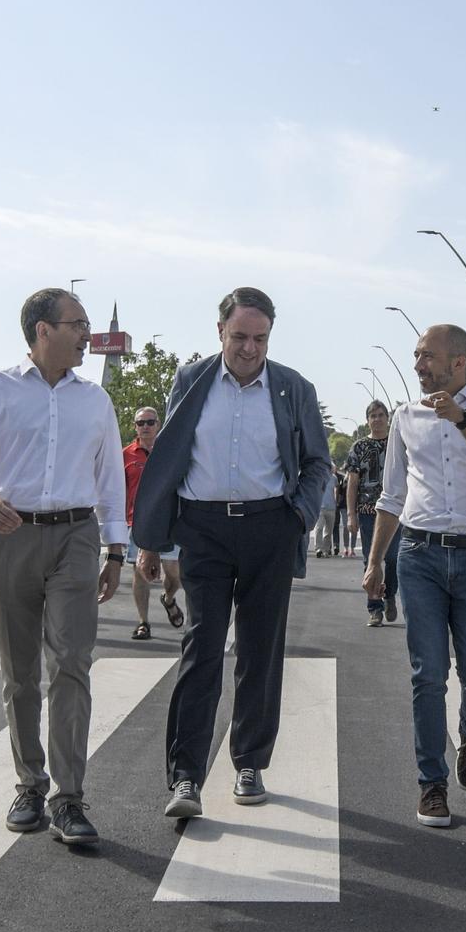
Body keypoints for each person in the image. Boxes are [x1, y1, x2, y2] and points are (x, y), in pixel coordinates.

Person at [131, 287, 332, 817]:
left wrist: (298, 518)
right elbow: (170, 458)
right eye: (239, 336)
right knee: (202, 648)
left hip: (271, 527)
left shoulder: (293, 389)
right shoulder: (189, 381)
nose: (249, 348)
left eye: (260, 338)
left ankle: (249, 761)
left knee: (260, 651)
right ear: (219, 331)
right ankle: (186, 778)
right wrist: (152, 539)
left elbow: (317, 463)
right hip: (204, 531)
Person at [0, 287, 127, 846]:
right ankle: (30, 782)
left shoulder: (95, 400)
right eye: (78, 325)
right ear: (42, 330)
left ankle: (69, 798)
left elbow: (110, 480)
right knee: (19, 672)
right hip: (10, 535)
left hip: (76, 535)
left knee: (72, 662)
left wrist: (115, 549)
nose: (87, 335)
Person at [364, 324, 466, 828]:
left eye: (427, 356)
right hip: (419, 554)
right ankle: (432, 784)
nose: (418, 364)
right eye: (416, 355)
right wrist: (374, 563)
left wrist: (462, 417)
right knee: (427, 674)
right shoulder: (406, 419)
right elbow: (391, 497)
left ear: (458, 363)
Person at [123, 406, 185, 641]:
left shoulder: (170, 451)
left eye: (150, 422)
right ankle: (143, 622)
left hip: (170, 521)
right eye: (141, 423)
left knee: (174, 573)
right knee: (140, 573)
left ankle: (168, 599)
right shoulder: (126, 455)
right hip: (137, 522)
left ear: (159, 424)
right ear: (135, 426)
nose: (146, 426)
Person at [345, 401, 401, 628]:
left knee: (394, 558)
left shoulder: (398, 444)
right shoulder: (359, 447)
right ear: (367, 420)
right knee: (370, 560)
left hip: (396, 511)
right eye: (373, 416)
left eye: (381, 415)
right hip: (368, 513)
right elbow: (352, 483)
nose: (377, 419)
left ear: (388, 418)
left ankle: (390, 596)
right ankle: (374, 608)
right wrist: (351, 515)